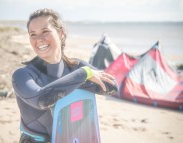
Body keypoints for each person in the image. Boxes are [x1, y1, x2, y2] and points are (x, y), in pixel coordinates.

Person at [12, 8, 117, 143]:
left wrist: (81, 75)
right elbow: (41, 100)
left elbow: (112, 87)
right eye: (33, 34)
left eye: (45, 31)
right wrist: (83, 75)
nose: (39, 39)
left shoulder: (76, 66)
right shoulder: (22, 75)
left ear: (60, 33)